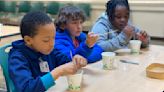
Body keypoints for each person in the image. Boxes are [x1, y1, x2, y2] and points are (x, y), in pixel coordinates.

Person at [8, 11, 87, 92]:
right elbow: (27, 89)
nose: (52, 44)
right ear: (28, 40)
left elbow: (65, 62)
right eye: (46, 40)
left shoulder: (48, 50)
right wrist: (58, 72)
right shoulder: (17, 58)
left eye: (53, 38)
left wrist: (77, 61)